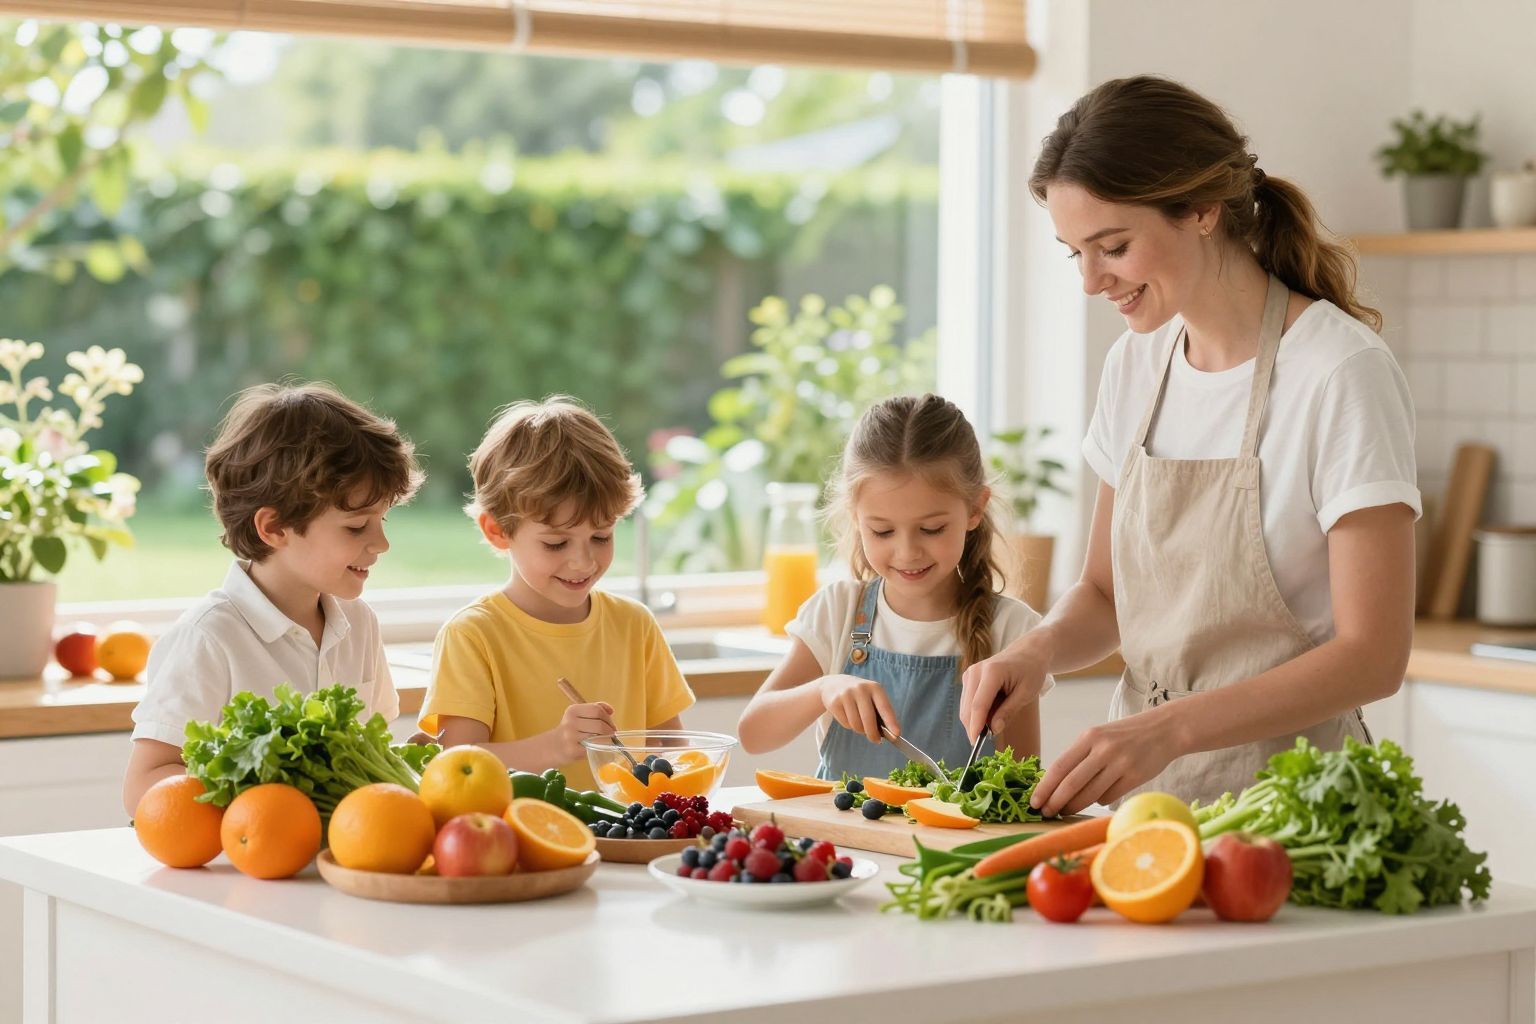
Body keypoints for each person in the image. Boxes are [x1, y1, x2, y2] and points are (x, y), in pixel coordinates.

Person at [959, 75, 1419, 815]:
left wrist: (1167, 729)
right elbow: (1106, 595)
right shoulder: (1136, 365)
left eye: (1112, 246)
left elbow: (1373, 657)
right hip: (1148, 808)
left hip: (1298, 812)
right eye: (1074, 252)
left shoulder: (1340, 372)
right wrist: (1033, 654)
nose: (1090, 281)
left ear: (1202, 210)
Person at [123, 383, 423, 814]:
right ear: (275, 528)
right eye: (357, 527)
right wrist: (263, 795)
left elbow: (368, 750)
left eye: (383, 520)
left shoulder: (360, 623)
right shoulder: (208, 637)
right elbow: (143, 785)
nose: (381, 543)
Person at [738, 393, 1049, 779]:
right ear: (855, 516)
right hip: (843, 841)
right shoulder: (838, 611)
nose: (907, 552)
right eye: (882, 531)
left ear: (975, 509)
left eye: (931, 529)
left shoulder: (1013, 632)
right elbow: (753, 734)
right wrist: (823, 689)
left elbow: (1021, 784)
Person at [419, 397, 694, 790]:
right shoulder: (473, 635)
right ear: (497, 531)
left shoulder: (635, 626)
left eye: (601, 536)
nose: (583, 562)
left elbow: (673, 753)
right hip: (521, 841)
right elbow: (457, 764)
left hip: (625, 843)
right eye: (555, 544)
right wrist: (554, 747)